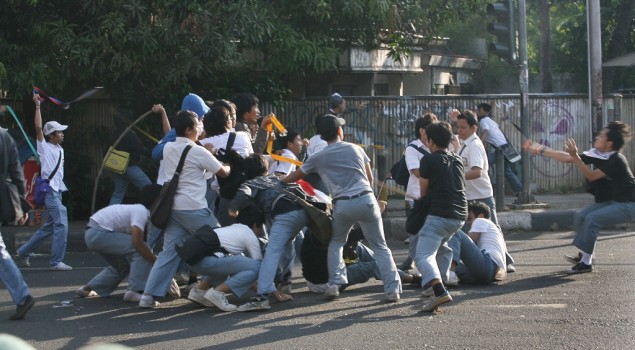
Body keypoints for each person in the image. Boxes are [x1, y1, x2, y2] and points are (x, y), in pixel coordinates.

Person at [283, 114, 402, 303]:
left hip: (343, 204)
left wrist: (278, 181)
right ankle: (393, 289)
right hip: (366, 199)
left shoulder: (318, 157)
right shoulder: (356, 149)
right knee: (380, 246)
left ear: (321, 137)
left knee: (336, 243)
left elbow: (295, 176)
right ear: (340, 131)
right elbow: (370, 178)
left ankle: (335, 284)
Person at [139, 110, 230, 308]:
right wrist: (227, 163)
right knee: (224, 243)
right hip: (194, 208)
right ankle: (209, 287)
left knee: (168, 252)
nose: (200, 128)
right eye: (197, 125)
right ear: (189, 130)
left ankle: (148, 295)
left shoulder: (169, 147)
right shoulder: (197, 151)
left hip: (173, 209)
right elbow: (222, 172)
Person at [523, 121, 635, 274]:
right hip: (615, 201)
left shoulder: (616, 159)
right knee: (581, 216)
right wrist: (541, 149)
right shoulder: (600, 154)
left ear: (609, 143)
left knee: (593, 219)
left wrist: (576, 157)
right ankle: (586, 254)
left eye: (601, 136)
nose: (597, 137)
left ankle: (586, 263)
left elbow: (591, 175)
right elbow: (567, 158)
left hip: (629, 205)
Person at [229, 154, 308, 311]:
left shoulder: (251, 183)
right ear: (265, 168)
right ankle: (287, 279)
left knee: (272, 252)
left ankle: (262, 297)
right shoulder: (276, 176)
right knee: (288, 242)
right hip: (304, 210)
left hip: (284, 214)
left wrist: (233, 209)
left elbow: (243, 193)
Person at [75, 185, 161, 302]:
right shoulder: (141, 211)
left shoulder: (137, 210)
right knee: (142, 249)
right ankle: (134, 291)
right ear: (157, 201)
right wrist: (158, 264)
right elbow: (138, 244)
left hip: (93, 233)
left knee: (122, 267)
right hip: (99, 233)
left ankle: (86, 289)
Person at [454, 110, 516, 274]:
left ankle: (505, 261)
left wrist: (455, 177)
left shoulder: (474, 145)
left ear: (474, 128)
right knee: (465, 230)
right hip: (467, 196)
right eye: (457, 127)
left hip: (481, 196)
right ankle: (468, 261)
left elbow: (477, 172)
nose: (459, 131)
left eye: (463, 128)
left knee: (493, 228)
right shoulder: (463, 143)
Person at [415, 121, 467, 312]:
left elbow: (423, 191)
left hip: (440, 215)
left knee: (422, 255)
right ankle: (440, 281)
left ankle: (438, 290)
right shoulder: (457, 159)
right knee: (442, 247)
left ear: (430, 141)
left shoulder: (428, 160)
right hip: (459, 215)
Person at [17, 93, 72, 271]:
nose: (62, 134)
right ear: (51, 135)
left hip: (58, 191)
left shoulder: (60, 149)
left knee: (49, 227)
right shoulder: (44, 146)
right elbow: (38, 127)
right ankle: (56, 262)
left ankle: (24, 251)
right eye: (59, 132)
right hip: (50, 192)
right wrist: (38, 105)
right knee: (61, 223)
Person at [301, 216, 422, 294]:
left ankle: (393, 271)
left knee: (359, 247)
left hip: (319, 278)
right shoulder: (331, 231)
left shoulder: (319, 227)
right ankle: (413, 279)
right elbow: (360, 232)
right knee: (375, 265)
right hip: (325, 283)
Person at [186, 206, 266, 312]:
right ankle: (217, 293)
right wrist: (271, 293)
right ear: (255, 225)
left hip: (192, 261)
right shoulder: (249, 234)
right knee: (258, 266)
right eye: (260, 229)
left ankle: (199, 292)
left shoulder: (231, 228)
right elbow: (260, 267)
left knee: (228, 262)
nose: (259, 232)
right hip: (207, 262)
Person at [1, 127, 35, 320]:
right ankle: (22, 297)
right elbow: (16, 171)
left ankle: (22, 297)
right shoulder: (5, 137)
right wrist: (21, 202)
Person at [200, 106, 254, 226]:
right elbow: (252, 158)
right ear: (227, 122)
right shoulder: (242, 136)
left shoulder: (201, 145)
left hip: (226, 195)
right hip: (249, 191)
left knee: (225, 235)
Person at [399, 114, 435, 271]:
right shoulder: (412, 148)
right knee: (415, 232)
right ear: (422, 130)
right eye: (431, 127)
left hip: (433, 196)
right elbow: (416, 171)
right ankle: (412, 258)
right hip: (415, 196)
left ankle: (423, 261)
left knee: (431, 231)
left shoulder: (437, 146)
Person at [447, 202, 507, 284]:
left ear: (481, 216)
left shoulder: (480, 220)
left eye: (469, 218)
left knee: (455, 231)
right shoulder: (492, 228)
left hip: (487, 264)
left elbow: (469, 238)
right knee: (443, 264)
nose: (467, 222)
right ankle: (435, 277)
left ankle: (451, 272)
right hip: (490, 274)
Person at [476, 103, 522, 195]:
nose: (477, 112)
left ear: (485, 112)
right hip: (505, 146)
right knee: (506, 171)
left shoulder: (483, 121)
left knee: (484, 164)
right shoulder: (490, 121)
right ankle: (519, 190)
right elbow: (498, 128)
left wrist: (478, 143)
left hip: (500, 149)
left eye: (479, 110)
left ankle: (484, 189)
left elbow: (485, 131)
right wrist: (501, 120)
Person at [107, 126, 152, 205]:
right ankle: (154, 213)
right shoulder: (130, 133)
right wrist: (151, 152)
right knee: (149, 189)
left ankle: (109, 215)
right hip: (129, 166)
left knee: (118, 194)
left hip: (117, 167)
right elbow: (139, 149)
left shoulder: (114, 133)